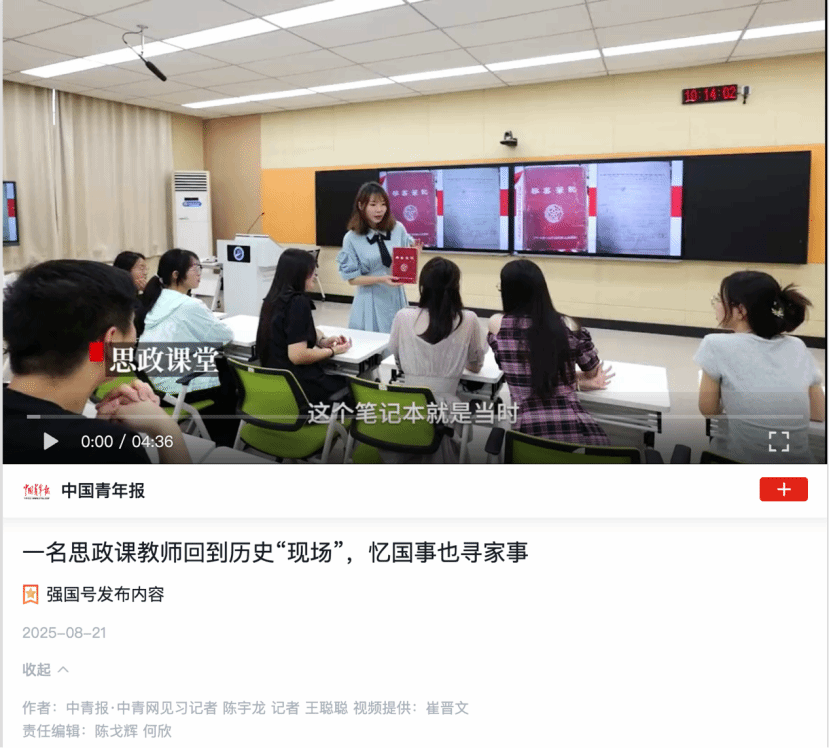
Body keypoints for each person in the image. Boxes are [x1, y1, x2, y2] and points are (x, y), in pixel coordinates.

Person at [3, 260, 190, 464]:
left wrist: (97, 428)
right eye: (132, 324)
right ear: (111, 341)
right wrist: (165, 428)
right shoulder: (111, 451)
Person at [695, 271, 824, 463]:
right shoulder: (797, 346)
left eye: (719, 299)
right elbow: (818, 413)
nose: (716, 304)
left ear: (741, 311)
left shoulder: (715, 344)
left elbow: (709, 410)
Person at [488, 259, 613, 446]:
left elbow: (521, 371)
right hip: (575, 430)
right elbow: (593, 372)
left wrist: (571, 380)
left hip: (526, 434)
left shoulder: (497, 325)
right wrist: (574, 381)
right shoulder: (568, 324)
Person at [387, 257, 486, 462]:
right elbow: (476, 365)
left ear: (423, 285)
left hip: (406, 408)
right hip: (448, 412)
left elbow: (398, 359)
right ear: (455, 287)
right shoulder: (468, 319)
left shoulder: (403, 316)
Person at [137, 248, 236, 444]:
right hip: (176, 386)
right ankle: (223, 442)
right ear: (176, 275)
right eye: (195, 268)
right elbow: (224, 336)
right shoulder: (189, 305)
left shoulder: (157, 299)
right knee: (227, 375)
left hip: (154, 383)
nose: (200, 273)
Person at [257, 249, 352, 404]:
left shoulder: (271, 299)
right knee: (352, 386)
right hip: (298, 387)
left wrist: (320, 341)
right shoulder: (298, 302)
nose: (315, 275)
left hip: (275, 385)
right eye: (312, 271)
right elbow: (298, 356)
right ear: (299, 274)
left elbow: (290, 332)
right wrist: (332, 351)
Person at [337, 181, 424, 333]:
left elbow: (403, 263)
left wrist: (415, 254)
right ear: (361, 205)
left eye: (383, 204)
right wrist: (381, 279)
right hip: (369, 300)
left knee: (396, 341)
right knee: (371, 343)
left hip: (395, 297)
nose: (379, 210)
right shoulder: (351, 238)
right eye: (373, 204)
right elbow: (352, 279)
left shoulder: (398, 229)